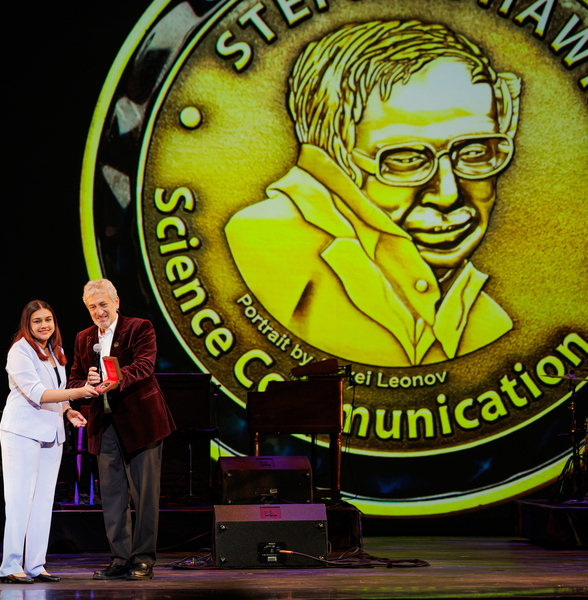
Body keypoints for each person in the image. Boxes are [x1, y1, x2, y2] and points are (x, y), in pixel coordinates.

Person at [225, 20, 521, 367]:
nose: (447, 193)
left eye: (474, 152)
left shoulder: (487, 320)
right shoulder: (264, 245)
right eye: (406, 159)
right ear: (334, 157)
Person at [68, 279, 176, 581]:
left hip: (141, 423)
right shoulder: (83, 338)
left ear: (116, 301)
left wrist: (115, 378)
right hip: (104, 426)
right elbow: (74, 380)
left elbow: (145, 365)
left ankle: (143, 560)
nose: (99, 311)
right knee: (112, 497)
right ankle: (120, 559)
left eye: (104, 304)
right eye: (92, 307)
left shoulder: (140, 327)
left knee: (144, 496)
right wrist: (86, 384)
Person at [0, 300, 95, 584]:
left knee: (42, 502)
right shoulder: (20, 351)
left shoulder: (56, 351)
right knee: (19, 500)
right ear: (27, 325)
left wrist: (68, 409)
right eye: (37, 321)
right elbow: (38, 393)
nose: (44, 325)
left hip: (51, 434)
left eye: (48, 320)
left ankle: (35, 565)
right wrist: (79, 393)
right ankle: (10, 566)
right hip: (22, 432)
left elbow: (60, 392)